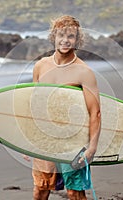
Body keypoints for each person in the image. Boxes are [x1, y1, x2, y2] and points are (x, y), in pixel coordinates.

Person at [26, 15, 101, 200]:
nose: (65, 40)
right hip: (45, 138)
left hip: (73, 139)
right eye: (61, 35)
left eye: (71, 36)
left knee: (74, 192)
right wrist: (25, 142)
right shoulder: (40, 66)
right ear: (54, 37)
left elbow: (95, 112)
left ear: (77, 40)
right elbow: (34, 106)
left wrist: (92, 147)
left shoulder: (84, 72)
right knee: (40, 190)